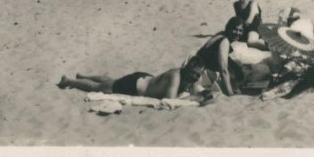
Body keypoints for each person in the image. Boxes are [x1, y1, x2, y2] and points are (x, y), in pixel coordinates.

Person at [58, 59, 205, 99]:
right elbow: (170, 100)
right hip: (134, 86)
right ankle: (69, 81)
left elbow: (194, 90)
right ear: (188, 68)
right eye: (194, 73)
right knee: (99, 89)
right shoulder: (176, 76)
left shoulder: (187, 78)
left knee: (112, 81)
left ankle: (84, 76)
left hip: (143, 79)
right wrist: (194, 99)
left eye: (198, 75)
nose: (195, 77)